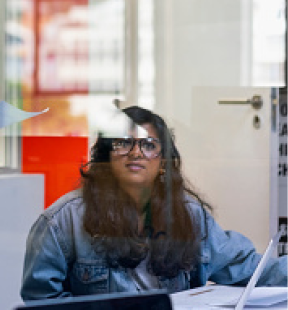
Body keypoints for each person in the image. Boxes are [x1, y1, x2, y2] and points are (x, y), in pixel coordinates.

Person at [21, 105, 288, 301]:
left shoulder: (189, 214)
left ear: (163, 163)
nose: (136, 153)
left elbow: (247, 267)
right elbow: (41, 301)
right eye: (123, 143)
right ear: (105, 156)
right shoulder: (62, 221)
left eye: (149, 145)